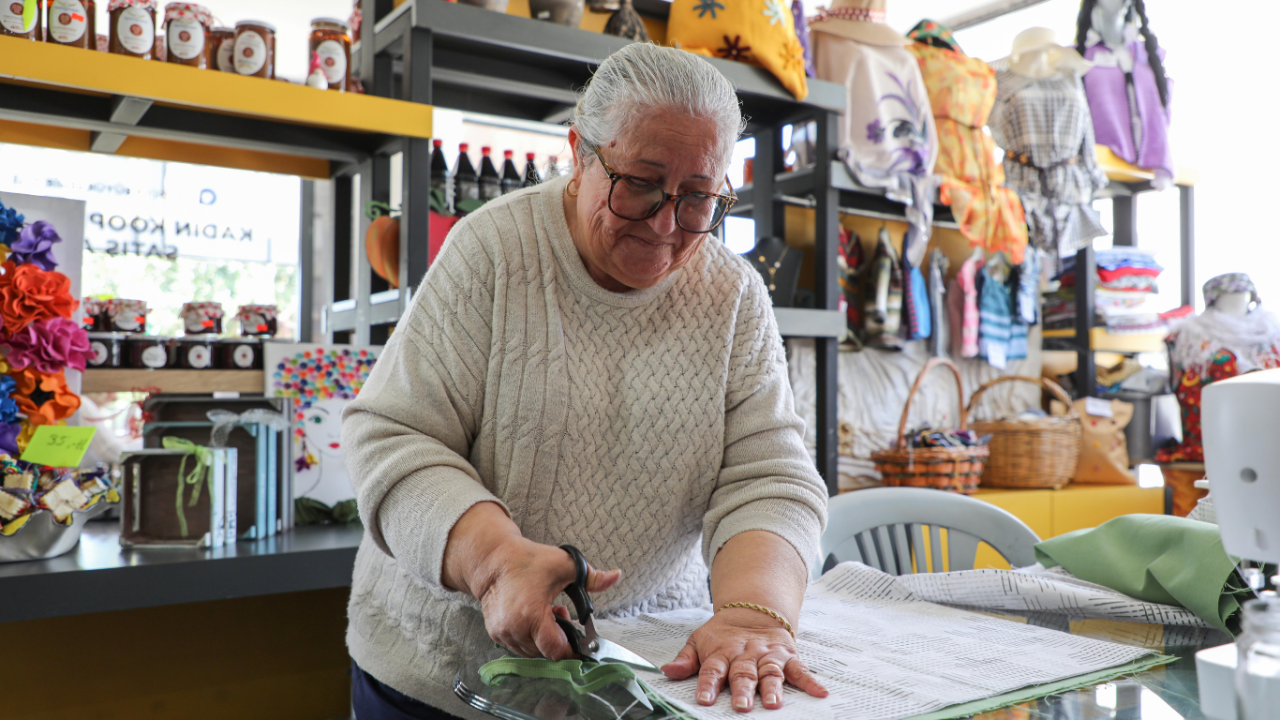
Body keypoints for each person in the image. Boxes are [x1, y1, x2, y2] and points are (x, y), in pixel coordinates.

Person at [342, 42, 829, 719]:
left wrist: (752, 617)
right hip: (442, 676)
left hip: (639, 673)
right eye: (640, 184)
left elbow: (769, 478)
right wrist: (496, 564)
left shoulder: (734, 296)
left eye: (697, 197)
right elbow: (393, 440)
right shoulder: (494, 252)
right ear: (579, 153)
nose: (665, 224)